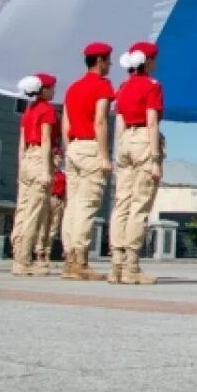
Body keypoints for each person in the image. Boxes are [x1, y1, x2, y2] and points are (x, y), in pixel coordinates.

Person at [109, 42, 165, 285]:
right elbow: (152, 123)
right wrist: (154, 158)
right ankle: (132, 264)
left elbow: (119, 120)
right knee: (140, 204)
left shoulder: (123, 87)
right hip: (143, 139)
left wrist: (119, 149)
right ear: (148, 61)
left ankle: (116, 264)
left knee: (121, 203)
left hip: (125, 141)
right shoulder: (152, 86)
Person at [61, 42, 116, 281]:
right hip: (91, 146)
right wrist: (104, 155)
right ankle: (80, 260)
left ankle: (69, 256)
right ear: (101, 61)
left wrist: (68, 148)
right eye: (109, 60)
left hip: (73, 146)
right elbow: (101, 120)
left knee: (72, 204)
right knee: (87, 204)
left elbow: (65, 122)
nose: (110, 64)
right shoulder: (103, 86)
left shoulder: (72, 88)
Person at [11, 73, 59, 276]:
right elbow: (47, 140)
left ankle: (17, 253)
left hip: (27, 159)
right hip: (39, 157)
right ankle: (23, 259)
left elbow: (22, 142)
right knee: (34, 211)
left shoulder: (28, 111)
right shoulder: (47, 110)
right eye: (52, 88)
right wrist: (47, 170)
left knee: (22, 210)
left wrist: (21, 166)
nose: (54, 91)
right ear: (44, 89)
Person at [35, 150, 67, 271]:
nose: (59, 161)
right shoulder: (47, 173)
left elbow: (65, 190)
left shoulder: (62, 175)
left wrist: (64, 203)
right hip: (48, 199)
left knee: (53, 229)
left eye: (60, 159)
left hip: (58, 201)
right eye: (56, 158)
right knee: (43, 227)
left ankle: (48, 254)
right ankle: (39, 253)